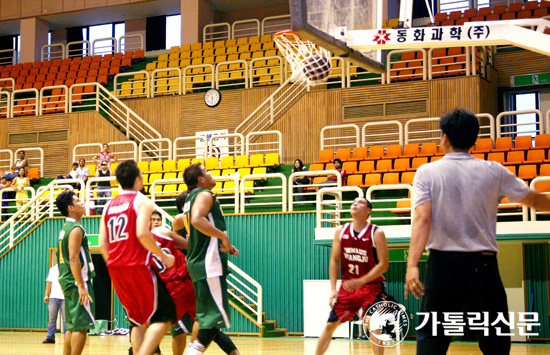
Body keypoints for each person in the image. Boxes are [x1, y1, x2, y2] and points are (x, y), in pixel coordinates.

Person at [405, 108, 550, 355]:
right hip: (482, 266)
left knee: (432, 339)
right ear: (474, 140)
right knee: (495, 339)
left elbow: (422, 219)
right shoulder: (494, 171)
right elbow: (534, 200)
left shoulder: (426, 172)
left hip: (442, 265)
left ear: (444, 138)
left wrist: (412, 264)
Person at [98, 159, 176, 355]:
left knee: (138, 320)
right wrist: (163, 257)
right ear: (137, 179)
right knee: (165, 315)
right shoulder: (142, 201)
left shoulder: (108, 206)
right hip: (138, 265)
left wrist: (114, 265)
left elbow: (102, 244)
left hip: (115, 268)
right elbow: (142, 233)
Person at [315, 197, 389, 355]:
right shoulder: (340, 231)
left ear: (369, 211)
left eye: (360, 202)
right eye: (354, 201)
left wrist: (361, 281)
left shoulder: (377, 233)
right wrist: (333, 289)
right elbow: (334, 260)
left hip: (372, 287)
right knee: (330, 325)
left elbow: (384, 265)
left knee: (373, 324)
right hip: (348, 287)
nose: (355, 203)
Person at [183, 163, 240, 355]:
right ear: (200, 179)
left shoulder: (189, 199)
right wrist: (223, 237)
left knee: (211, 320)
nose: (211, 174)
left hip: (200, 262)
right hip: (207, 265)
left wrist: (225, 246)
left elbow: (200, 232)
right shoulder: (204, 195)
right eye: (206, 172)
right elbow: (197, 220)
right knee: (212, 319)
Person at [55, 191, 95, 355]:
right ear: (71, 208)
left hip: (68, 280)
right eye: (78, 200)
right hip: (77, 281)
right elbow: (73, 257)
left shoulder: (66, 227)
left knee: (71, 327)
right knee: (80, 326)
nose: (82, 202)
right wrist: (81, 285)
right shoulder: (76, 229)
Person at [43, 263, 66, 344]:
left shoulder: (69, 267)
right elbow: (49, 283)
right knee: (51, 319)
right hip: (53, 297)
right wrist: (46, 294)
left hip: (65, 297)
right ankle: (50, 337)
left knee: (66, 319)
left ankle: (67, 337)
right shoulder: (53, 269)